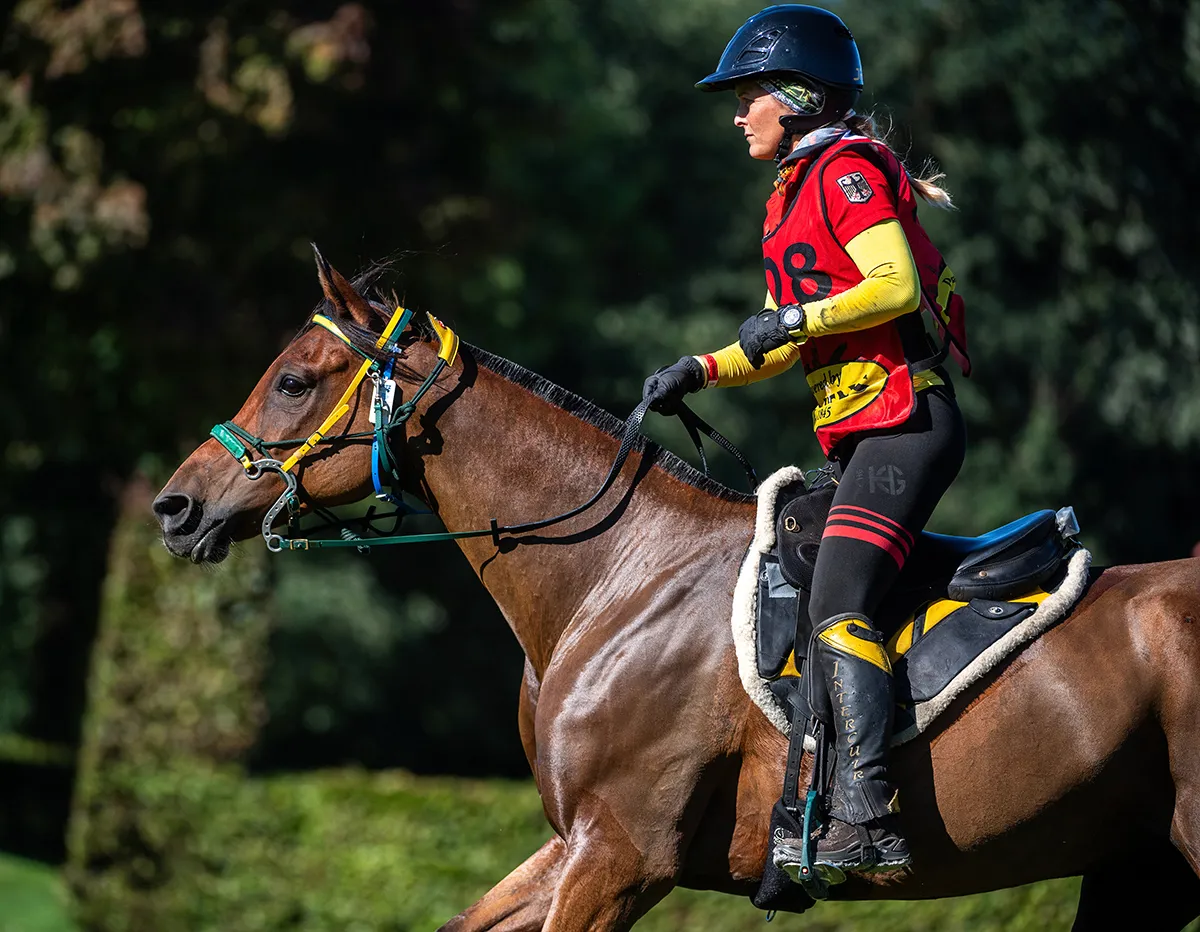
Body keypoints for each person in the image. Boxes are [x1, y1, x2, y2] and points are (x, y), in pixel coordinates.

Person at [641, 4, 969, 882]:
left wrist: (788, 316)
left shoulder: (846, 172)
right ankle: (804, 802)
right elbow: (784, 337)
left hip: (908, 425)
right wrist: (703, 369)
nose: (737, 114)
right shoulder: (791, 191)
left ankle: (867, 818)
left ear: (797, 96)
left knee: (838, 602)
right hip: (864, 437)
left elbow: (893, 284)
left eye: (748, 96)